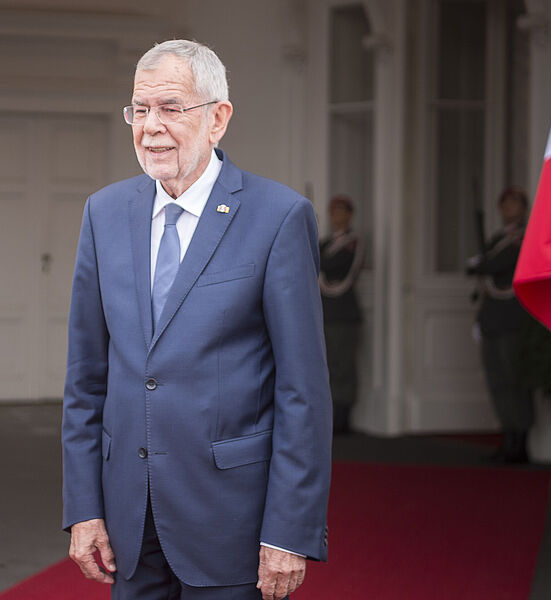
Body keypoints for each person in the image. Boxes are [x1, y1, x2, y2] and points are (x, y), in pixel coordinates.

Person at [62, 40, 331, 600]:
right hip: (129, 522)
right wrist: (84, 508)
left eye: (170, 108)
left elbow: (302, 391)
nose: (151, 127)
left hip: (231, 522)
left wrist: (289, 530)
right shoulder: (104, 213)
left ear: (218, 119)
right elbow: (85, 380)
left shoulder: (278, 217)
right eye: (140, 109)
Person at [468, 187, 532, 463]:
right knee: (497, 379)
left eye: (513, 202)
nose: (508, 207)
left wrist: (482, 265)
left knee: (514, 379)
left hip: (512, 317)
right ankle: (508, 435)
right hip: (492, 316)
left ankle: (521, 440)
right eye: (504, 203)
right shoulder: (497, 239)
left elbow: (497, 265)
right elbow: (482, 268)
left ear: (523, 208)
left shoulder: (523, 237)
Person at [318, 195, 363, 434]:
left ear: (350, 214)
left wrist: (322, 261)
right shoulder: (324, 244)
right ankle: (329, 416)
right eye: (334, 211)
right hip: (325, 312)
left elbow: (338, 267)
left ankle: (343, 418)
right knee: (327, 365)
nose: (337, 216)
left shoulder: (353, 242)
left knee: (343, 366)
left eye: (342, 211)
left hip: (344, 313)